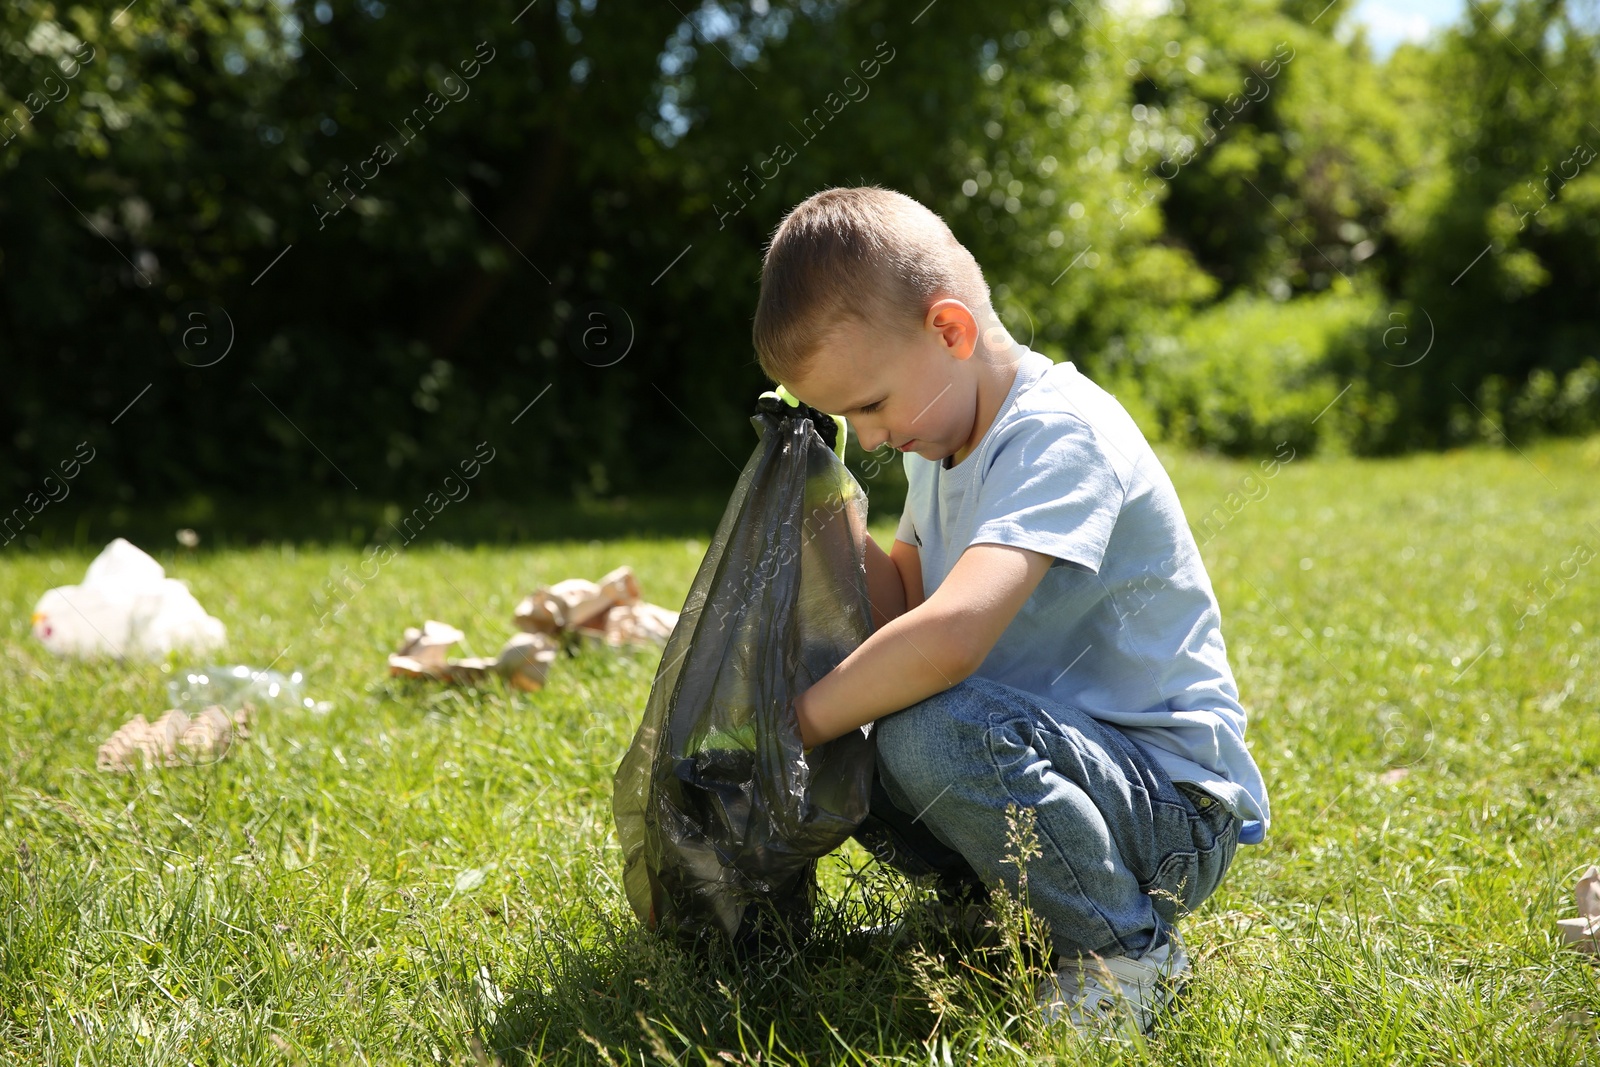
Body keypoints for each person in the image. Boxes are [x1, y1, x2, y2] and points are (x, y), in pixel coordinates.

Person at [750, 186, 1271, 1036]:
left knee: (918, 724)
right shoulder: (939, 439)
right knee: (873, 709)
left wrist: (794, 723)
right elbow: (902, 608)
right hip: (1061, 765)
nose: (871, 437)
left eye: (871, 405)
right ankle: (1001, 911)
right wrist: (823, 506)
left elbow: (950, 639)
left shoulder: (1058, 433)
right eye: (848, 418)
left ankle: (1124, 949)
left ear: (950, 332)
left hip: (1171, 809)